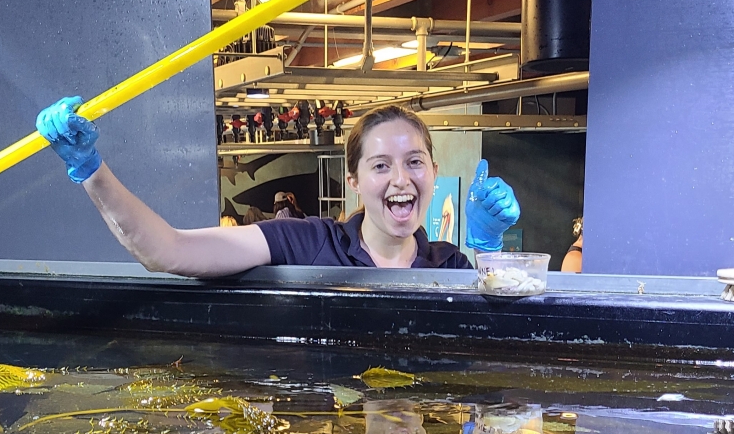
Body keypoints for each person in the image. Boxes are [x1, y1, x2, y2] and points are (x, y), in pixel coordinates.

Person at [36, 98, 520, 276]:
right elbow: (170, 251)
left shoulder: (452, 267)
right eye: (380, 166)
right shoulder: (306, 243)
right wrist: (91, 171)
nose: (401, 179)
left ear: (433, 172)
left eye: (415, 162)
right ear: (352, 182)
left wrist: (488, 252)